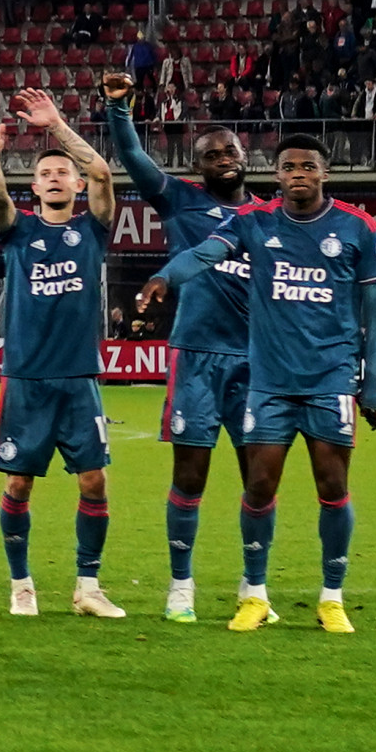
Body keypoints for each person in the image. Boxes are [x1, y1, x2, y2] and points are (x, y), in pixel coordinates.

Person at [153, 132, 376, 632]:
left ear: (324, 173)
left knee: (333, 486)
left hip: (330, 379)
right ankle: (255, 594)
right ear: (277, 174)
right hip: (268, 382)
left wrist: (372, 386)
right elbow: (204, 254)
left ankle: (332, 597)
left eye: (308, 166)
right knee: (259, 487)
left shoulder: (359, 228)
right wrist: (166, 277)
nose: (298, 174)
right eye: (288, 167)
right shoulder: (253, 222)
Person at [0, 89, 125, 620]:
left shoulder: (92, 230)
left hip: (79, 377)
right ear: (34, 186)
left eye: (65, 172)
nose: (57, 177)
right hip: (26, 378)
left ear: (77, 184)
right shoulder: (20, 232)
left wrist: (57, 126)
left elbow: (105, 173)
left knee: (95, 479)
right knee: (19, 482)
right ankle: (21, 584)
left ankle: (88, 586)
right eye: (47, 173)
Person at [106, 90, 253, 623]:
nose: (223, 159)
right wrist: (118, 110)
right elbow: (134, 158)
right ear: (198, 166)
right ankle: (181, 586)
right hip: (197, 355)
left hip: (257, 361)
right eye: (212, 154)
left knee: (258, 477)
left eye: (230, 150)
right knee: (190, 474)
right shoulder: (182, 201)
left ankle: (252, 586)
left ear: (245, 156)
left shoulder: (270, 216)